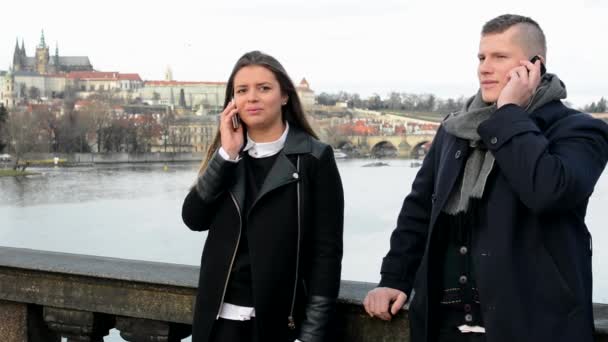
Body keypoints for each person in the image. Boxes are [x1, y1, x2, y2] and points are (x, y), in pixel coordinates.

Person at [363, 14, 608, 342]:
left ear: (534, 65)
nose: (484, 67)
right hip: (445, 325)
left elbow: (549, 192)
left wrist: (509, 114)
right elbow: (419, 211)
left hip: (531, 324)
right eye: (482, 57)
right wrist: (394, 277)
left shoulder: (579, 130)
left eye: (500, 57)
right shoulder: (455, 129)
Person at [182, 50, 344, 342]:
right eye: (242, 90)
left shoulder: (314, 158)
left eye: (264, 88)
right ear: (232, 102)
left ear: (284, 96)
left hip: (282, 325)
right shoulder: (228, 157)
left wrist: (311, 336)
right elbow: (194, 218)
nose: (252, 97)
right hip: (219, 324)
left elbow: (327, 255)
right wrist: (226, 155)